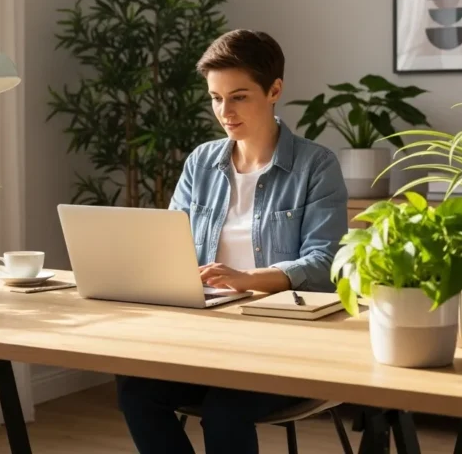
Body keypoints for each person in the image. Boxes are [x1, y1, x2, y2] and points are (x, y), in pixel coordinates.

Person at [115, 29, 349, 454]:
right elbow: (168, 245)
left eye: (239, 96)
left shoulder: (316, 165)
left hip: (283, 344)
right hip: (206, 338)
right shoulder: (201, 162)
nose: (225, 111)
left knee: (225, 409)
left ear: (274, 90)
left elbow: (326, 263)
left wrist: (248, 279)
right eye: (216, 98)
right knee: (135, 391)